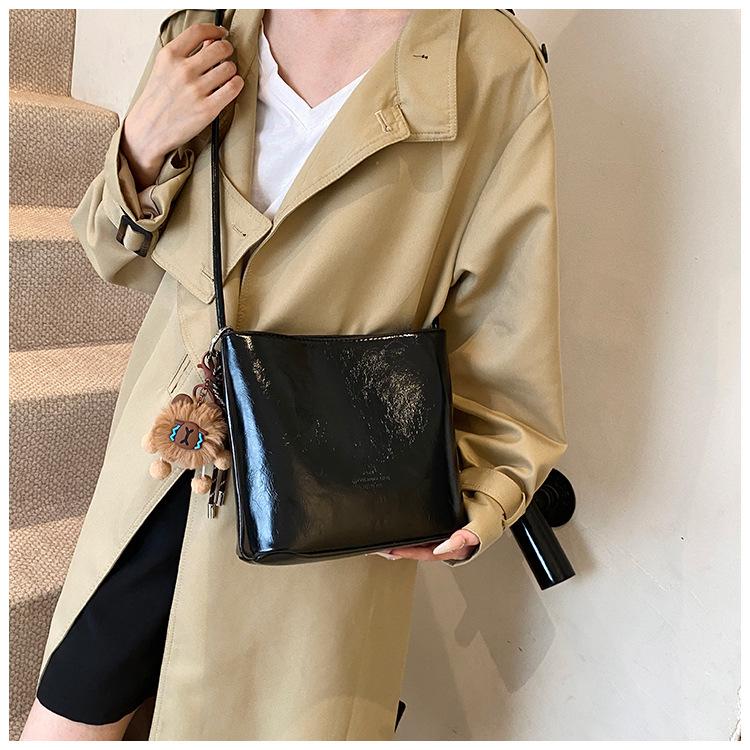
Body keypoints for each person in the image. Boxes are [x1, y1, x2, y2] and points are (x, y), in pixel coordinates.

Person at [21, 8, 567, 741]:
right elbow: (115, 258)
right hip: (170, 456)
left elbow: (506, 320)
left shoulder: (493, 68)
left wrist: (483, 491)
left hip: (325, 486)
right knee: (65, 717)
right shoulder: (212, 23)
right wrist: (141, 148)